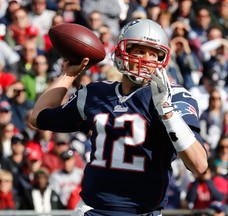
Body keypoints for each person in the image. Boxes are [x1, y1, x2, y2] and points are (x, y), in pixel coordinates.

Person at [29, 18, 208, 215]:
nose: (146, 60)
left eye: (154, 54)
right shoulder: (95, 93)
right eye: (139, 51)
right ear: (123, 51)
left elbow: (199, 164)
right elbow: (38, 117)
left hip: (143, 212)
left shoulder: (175, 97)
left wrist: (166, 111)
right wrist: (69, 74)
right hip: (94, 210)